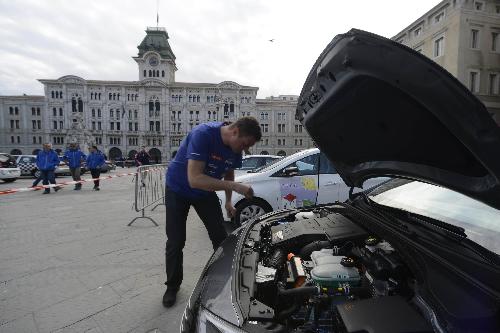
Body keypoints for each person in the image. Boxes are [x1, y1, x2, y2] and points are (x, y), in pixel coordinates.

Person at [162, 117, 261, 307]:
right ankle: (172, 286)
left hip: (205, 193)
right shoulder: (204, 134)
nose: (244, 150)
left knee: (220, 237)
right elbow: (195, 179)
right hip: (178, 189)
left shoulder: (235, 148)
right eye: (244, 144)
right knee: (176, 241)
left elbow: (229, 172)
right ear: (235, 132)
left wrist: (229, 201)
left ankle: (226, 280)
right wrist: (236, 187)